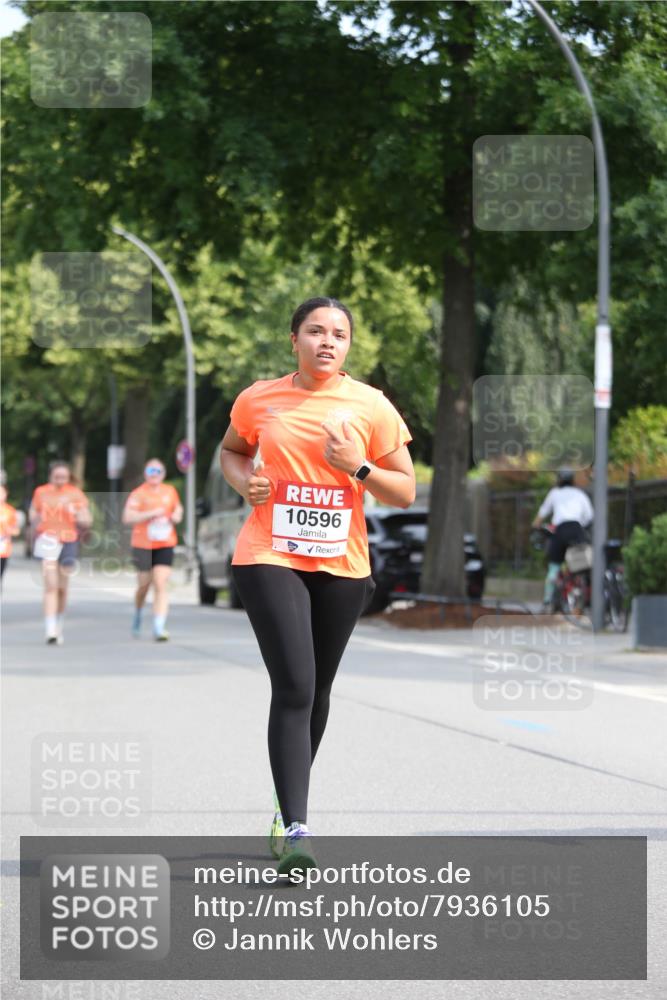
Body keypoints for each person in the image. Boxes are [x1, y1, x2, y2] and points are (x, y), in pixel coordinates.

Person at [220, 296, 416, 875]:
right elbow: (231, 452)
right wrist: (244, 484)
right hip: (269, 552)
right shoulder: (260, 398)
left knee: (319, 690)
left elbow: (403, 490)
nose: (327, 342)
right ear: (294, 340)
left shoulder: (370, 405)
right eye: (315, 331)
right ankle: (300, 830)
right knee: (296, 684)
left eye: (339, 334)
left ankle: (285, 812)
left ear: (348, 346)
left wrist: (358, 465)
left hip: (342, 565)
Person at [29, 461, 92, 644]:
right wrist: (36, 521)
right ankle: (50, 629)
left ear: (68, 477)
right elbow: (33, 513)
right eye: (57, 477)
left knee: (62, 588)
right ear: (51, 476)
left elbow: (87, 520)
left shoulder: (75, 494)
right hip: (47, 540)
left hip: (69, 540)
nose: (60, 481)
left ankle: (59, 622)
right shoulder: (41, 492)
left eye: (63, 477)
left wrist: (79, 514)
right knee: (51, 585)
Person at [122, 459, 183, 641]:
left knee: (160, 583)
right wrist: (150, 514)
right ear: (146, 473)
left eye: (158, 470)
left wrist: (177, 516)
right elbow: (127, 517)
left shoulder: (169, 491)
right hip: (143, 544)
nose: (154, 473)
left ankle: (159, 627)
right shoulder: (138, 494)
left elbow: (178, 509)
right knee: (144, 585)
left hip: (165, 543)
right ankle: (139, 612)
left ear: (163, 474)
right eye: (151, 470)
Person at [532, 468, 594, 610]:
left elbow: (542, 512)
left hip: (560, 531)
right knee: (581, 565)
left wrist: (535, 526)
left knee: (554, 566)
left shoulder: (554, 493)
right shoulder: (580, 494)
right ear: (572, 480)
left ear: (558, 480)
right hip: (577, 530)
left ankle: (547, 601)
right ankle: (581, 593)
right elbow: (590, 516)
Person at [0, 485, 21, 584]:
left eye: (2, 493)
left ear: (6, 494)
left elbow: (16, 531)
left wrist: (10, 531)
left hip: (3, 549)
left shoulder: (10, 511)